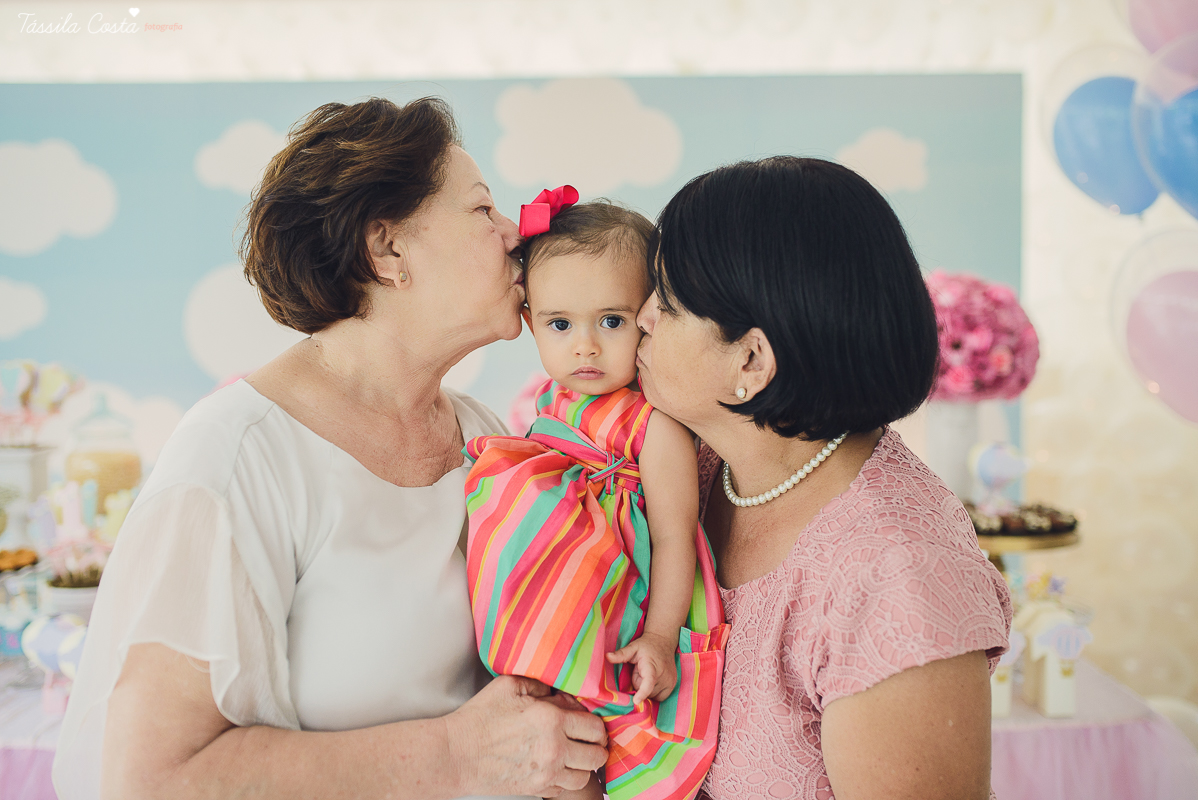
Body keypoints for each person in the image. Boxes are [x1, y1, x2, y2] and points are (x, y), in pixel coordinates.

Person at [52, 97, 608, 800]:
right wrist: (453, 756)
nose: (514, 234)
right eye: (481, 211)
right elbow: (153, 779)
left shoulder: (482, 435)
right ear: (388, 250)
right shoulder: (235, 458)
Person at [633, 156, 1013, 800]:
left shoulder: (900, 577)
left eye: (666, 301)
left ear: (751, 359)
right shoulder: (692, 466)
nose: (640, 315)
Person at [462, 197, 727, 800]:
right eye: (561, 324)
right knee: (553, 761)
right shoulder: (551, 408)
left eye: (611, 321)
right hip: (559, 622)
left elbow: (672, 534)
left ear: (649, 318)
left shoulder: (654, 424)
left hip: (622, 616)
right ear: (531, 323)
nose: (585, 347)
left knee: (602, 747)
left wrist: (660, 636)